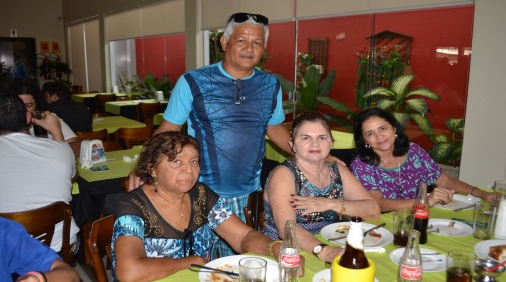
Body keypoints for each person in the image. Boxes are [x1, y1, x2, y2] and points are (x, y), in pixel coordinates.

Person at [147, 12, 291, 257]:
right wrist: (143, 170)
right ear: (224, 43)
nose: (249, 48)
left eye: (257, 43)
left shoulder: (270, 85)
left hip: (248, 196)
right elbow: (167, 131)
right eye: (241, 41)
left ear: (264, 48)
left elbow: (274, 127)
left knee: (240, 263)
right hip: (199, 192)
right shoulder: (193, 81)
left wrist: (314, 155)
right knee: (198, 263)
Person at [112, 131, 304, 281]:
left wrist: (275, 247)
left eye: (194, 161)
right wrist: (187, 263)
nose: (189, 169)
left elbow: (242, 235)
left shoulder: (201, 194)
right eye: (176, 162)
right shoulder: (132, 206)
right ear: (152, 168)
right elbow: (129, 271)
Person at [263, 112, 380, 263]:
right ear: (292, 144)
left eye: (322, 138)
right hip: (286, 253)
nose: (315, 144)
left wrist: (331, 204)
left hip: (329, 243)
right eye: (306, 138)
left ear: (331, 143)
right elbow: (287, 230)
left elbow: (373, 210)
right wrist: (323, 251)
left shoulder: (337, 169)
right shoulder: (284, 174)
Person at [350, 107, 493, 212]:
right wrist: (425, 201)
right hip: (381, 226)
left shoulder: (413, 151)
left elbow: (443, 180)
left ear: (394, 129)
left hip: (417, 217)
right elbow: (378, 203)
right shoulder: (362, 165)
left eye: (382, 128)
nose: (379, 136)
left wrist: (482, 193)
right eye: (370, 133)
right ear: (364, 140)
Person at [0, 93, 80, 254]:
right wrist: (57, 132)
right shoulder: (61, 149)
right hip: (58, 249)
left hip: (6, 253)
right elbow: (72, 175)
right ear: (28, 117)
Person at [8, 81, 81, 157]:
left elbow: (77, 146)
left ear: (37, 105)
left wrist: (51, 149)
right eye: (19, 105)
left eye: (29, 106)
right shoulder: (6, 124)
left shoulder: (48, 119)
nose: (24, 110)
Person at [0, 217, 80, 282]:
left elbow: (72, 275)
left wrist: (38, 278)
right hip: (58, 247)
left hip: (40, 255)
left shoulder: (5, 232)